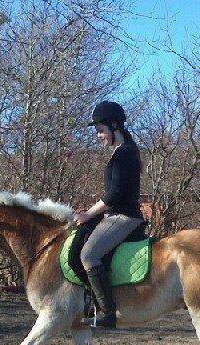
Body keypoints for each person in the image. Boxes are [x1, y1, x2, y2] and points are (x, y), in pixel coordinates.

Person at [72, 100, 145, 329]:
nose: (98, 136)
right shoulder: (123, 152)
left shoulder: (124, 154)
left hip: (123, 217)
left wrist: (88, 214)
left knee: (88, 256)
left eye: (101, 131)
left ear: (115, 126)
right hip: (115, 215)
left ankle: (107, 312)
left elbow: (113, 194)